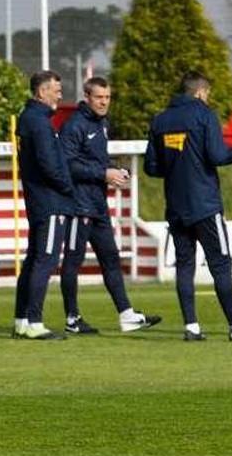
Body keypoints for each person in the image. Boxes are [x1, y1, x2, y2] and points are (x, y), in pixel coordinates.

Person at [143, 71, 232, 342]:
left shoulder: (160, 120)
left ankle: (192, 327)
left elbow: (151, 167)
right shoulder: (204, 114)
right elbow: (217, 155)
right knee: (220, 265)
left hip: (175, 206)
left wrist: (177, 166)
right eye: (207, 94)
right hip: (205, 205)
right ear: (200, 92)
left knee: (184, 266)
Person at [57, 77, 162, 334]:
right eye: (99, 97)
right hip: (78, 206)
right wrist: (103, 174)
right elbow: (67, 164)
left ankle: (127, 315)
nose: (104, 102)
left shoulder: (102, 123)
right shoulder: (74, 126)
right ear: (87, 97)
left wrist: (115, 170)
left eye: (107, 97)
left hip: (97, 205)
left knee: (111, 259)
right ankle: (72, 319)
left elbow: (97, 160)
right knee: (73, 261)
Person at [13, 70, 75, 341]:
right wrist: (68, 187)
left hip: (38, 201)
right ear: (41, 92)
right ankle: (35, 322)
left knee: (34, 260)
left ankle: (22, 320)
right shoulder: (38, 123)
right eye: (56, 89)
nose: (60, 95)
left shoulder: (30, 120)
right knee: (45, 260)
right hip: (50, 202)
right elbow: (50, 164)